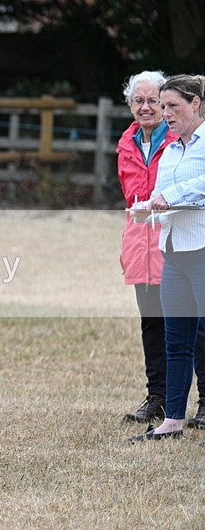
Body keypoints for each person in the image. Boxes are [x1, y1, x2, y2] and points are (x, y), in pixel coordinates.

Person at [117, 70, 205, 426]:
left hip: (195, 246)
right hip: (159, 248)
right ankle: (167, 410)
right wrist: (146, 209)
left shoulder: (189, 141)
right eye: (141, 101)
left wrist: (167, 197)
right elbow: (145, 194)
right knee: (165, 332)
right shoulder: (142, 146)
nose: (155, 109)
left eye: (163, 102)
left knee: (198, 329)